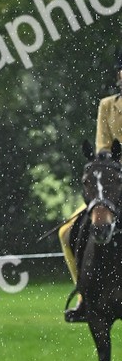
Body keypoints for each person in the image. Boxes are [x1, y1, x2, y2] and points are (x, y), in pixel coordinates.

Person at [61, 49, 122, 322]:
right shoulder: (107, 106)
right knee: (65, 232)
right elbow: (102, 146)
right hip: (112, 183)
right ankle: (85, 295)